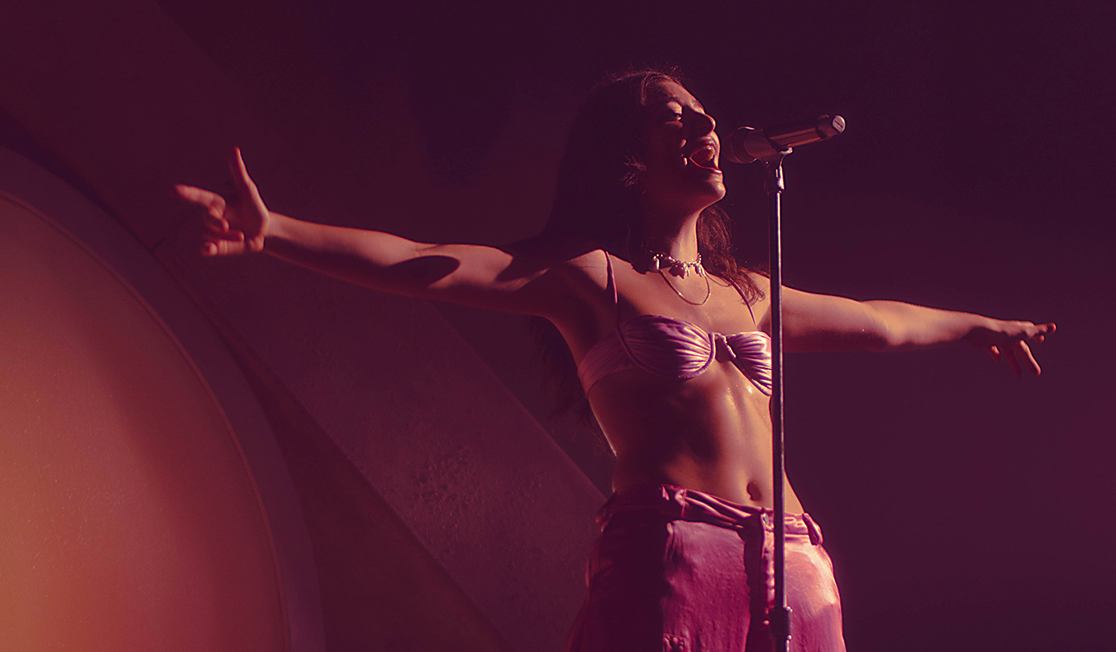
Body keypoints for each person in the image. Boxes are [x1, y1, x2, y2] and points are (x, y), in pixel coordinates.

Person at [177, 69, 1054, 652]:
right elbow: (426, 261)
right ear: (627, 158)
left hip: (797, 565)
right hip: (676, 550)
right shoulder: (591, 278)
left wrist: (981, 323)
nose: (705, 124)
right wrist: (274, 232)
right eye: (675, 115)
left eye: (705, 113)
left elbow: (879, 321)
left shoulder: (749, 290)